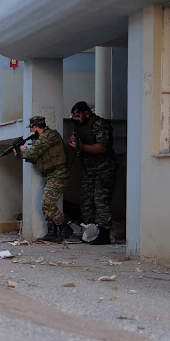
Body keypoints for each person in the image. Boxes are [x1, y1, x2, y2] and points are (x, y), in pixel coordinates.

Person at [16, 116, 72, 243]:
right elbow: (35, 157)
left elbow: (32, 154)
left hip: (59, 174)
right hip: (51, 174)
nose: (30, 130)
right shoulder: (44, 137)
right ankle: (52, 232)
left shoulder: (48, 136)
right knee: (45, 205)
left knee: (47, 203)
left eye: (31, 128)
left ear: (36, 127)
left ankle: (64, 228)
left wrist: (23, 151)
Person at [68, 101, 115, 245]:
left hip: (103, 168)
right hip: (89, 170)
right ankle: (90, 231)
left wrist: (81, 146)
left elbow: (102, 147)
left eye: (78, 116)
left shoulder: (99, 125)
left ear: (86, 113)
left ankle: (104, 233)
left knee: (100, 201)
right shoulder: (80, 125)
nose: (76, 119)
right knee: (86, 202)